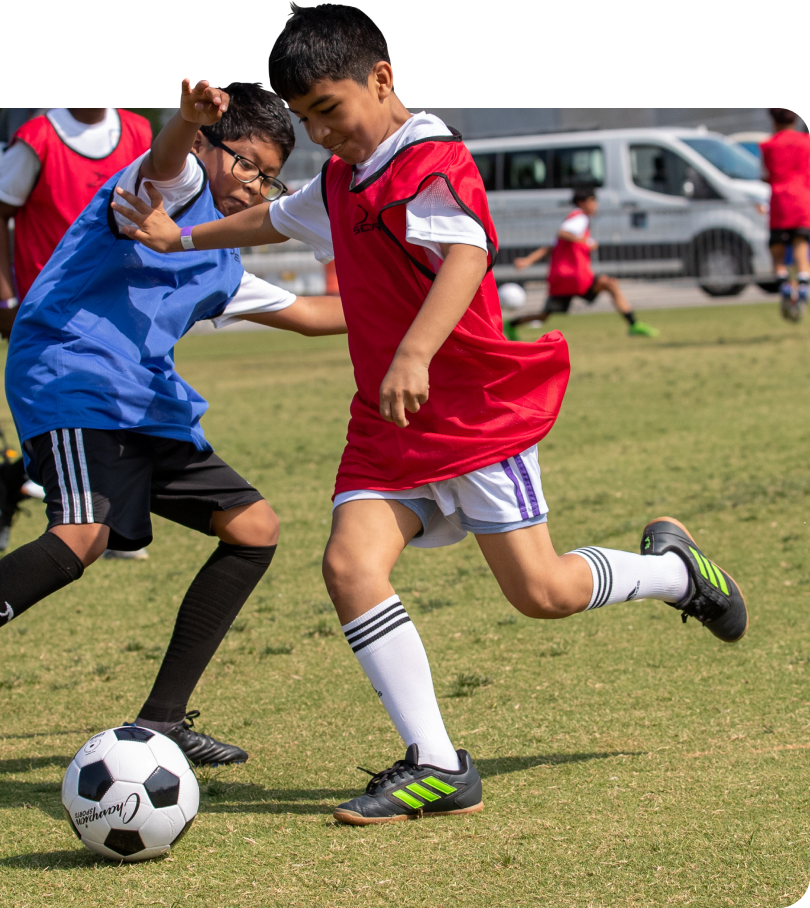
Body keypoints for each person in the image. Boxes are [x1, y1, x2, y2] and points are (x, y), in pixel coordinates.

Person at [117, 5, 747, 827]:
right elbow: (274, 217)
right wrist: (180, 238)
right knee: (349, 568)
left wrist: (413, 353)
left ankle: (677, 574)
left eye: (329, 112)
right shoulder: (343, 178)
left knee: (543, 592)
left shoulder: (430, 161)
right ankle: (438, 765)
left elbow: (468, 253)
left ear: (381, 79)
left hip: (469, 416)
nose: (322, 135)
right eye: (307, 122)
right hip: (385, 428)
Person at [0, 80, 348, 802]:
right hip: (68, 374)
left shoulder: (219, 257)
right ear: (207, 144)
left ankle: (163, 722)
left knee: (255, 529)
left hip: (144, 404)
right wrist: (182, 121)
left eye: (268, 174)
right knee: (82, 535)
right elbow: (169, 160)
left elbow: (314, 314)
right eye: (247, 165)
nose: (255, 184)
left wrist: (414, 298)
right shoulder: (165, 186)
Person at [0, 107, 153, 555]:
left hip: (115, 299)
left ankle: (13, 478)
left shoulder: (138, 129)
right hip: (52, 306)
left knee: (122, 403)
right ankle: (105, 524)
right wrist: (4, 298)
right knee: (79, 412)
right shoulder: (37, 139)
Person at [506, 187, 658, 339]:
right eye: (593, 201)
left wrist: (527, 260)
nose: (595, 205)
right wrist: (586, 241)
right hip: (574, 278)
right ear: (582, 202)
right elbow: (563, 233)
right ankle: (633, 325)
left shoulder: (573, 218)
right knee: (610, 284)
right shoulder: (580, 218)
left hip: (567, 279)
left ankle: (511, 324)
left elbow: (550, 247)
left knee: (544, 315)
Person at [760, 107, 810, 322]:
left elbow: (767, 175)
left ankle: (785, 288)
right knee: (801, 248)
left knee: (777, 253)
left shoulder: (768, 145)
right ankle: (804, 287)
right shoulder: (806, 142)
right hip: (802, 201)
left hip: (780, 203)